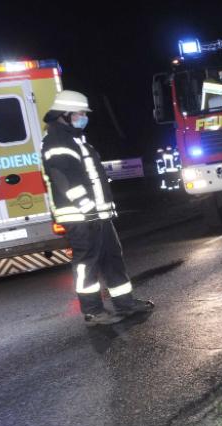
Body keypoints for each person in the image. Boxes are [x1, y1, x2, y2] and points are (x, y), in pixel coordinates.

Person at [40, 90, 154, 326]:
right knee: (87, 263)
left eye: (84, 113)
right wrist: (87, 207)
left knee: (112, 258)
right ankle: (93, 311)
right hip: (81, 216)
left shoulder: (76, 139)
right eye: (80, 113)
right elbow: (65, 179)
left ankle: (125, 304)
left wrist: (100, 209)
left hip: (97, 214)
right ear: (65, 114)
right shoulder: (56, 141)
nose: (84, 117)